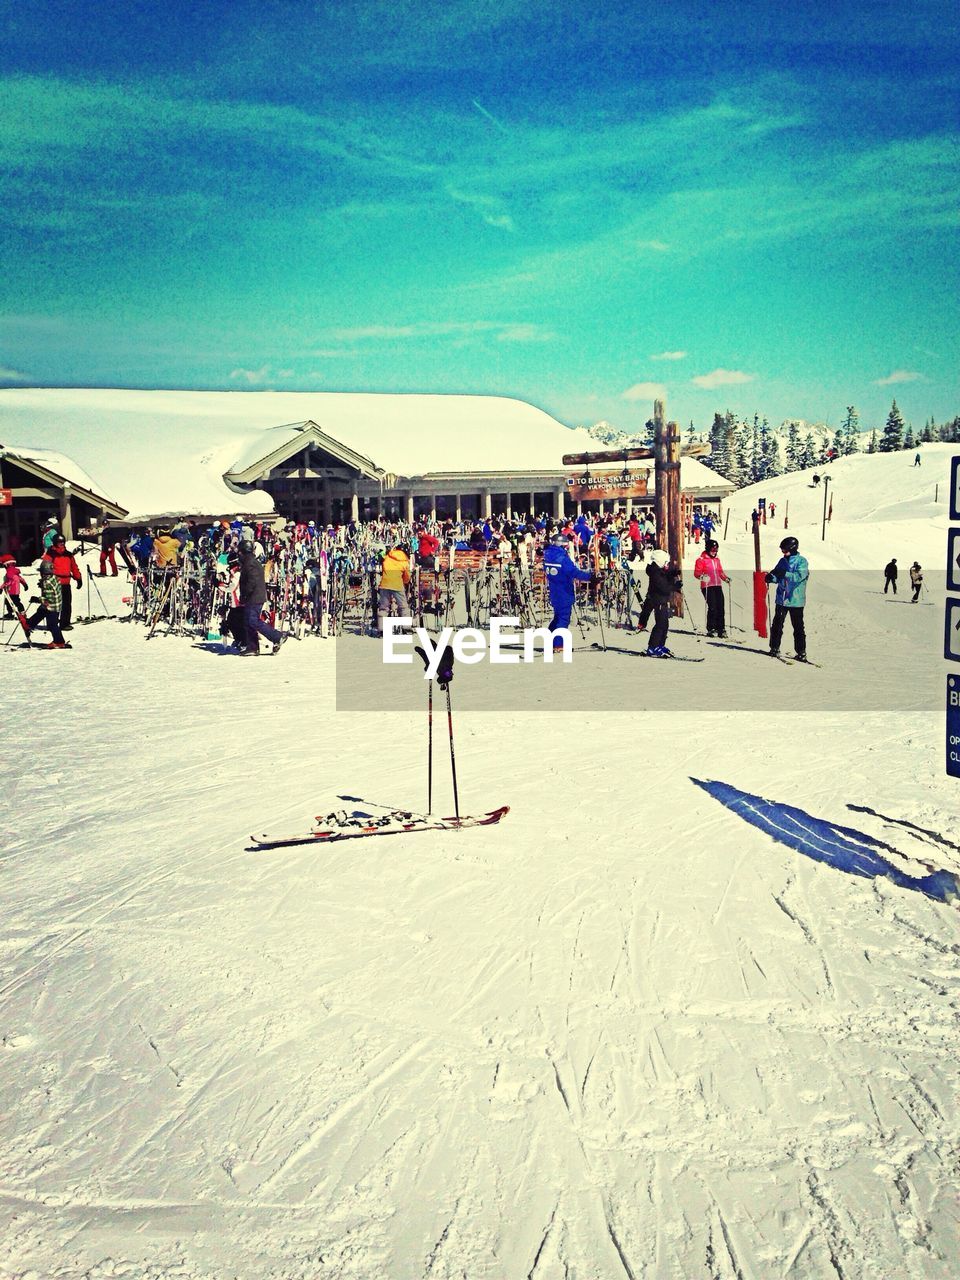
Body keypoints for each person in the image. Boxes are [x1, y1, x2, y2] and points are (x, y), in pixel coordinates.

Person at [237, 540, 286, 655]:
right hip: (254, 596)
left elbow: (252, 581)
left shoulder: (250, 563)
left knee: (253, 621)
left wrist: (245, 594)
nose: (238, 554)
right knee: (248, 621)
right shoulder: (250, 562)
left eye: (239, 551)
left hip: (254, 596)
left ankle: (277, 636)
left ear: (243, 551)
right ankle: (252, 647)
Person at [543, 534, 592, 648]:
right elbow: (574, 572)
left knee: (558, 616)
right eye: (565, 546)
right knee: (563, 619)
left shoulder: (548, 555)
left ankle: (550, 639)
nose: (566, 548)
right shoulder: (562, 558)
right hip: (564, 591)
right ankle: (558, 644)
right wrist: (590, 577)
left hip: (554, 591)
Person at [766, 536, 809, 661]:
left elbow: (799, 576)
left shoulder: (802, 561)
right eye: (782, 551)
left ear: (793, 548)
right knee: (777, 625)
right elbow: (777, 575)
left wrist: (784, 574)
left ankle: (801, 652)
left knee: (798, 627)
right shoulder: (782, 561)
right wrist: (771, 578)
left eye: (785, 550)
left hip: (795, 600)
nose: (783, 553)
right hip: (781, 599)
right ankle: (774, 648)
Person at [642, 548, 682, 657]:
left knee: (665, 624)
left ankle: (660, 645)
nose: (667, 565)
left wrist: (673, 573)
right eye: (666, 563)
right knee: (660, 624)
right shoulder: (655, 573)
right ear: (660, 561)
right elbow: (663, 587)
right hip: (657, 600)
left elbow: (665, 575)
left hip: (662, 601)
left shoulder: (659, 570)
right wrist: (675, 586)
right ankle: (652, 647)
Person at [43, 533, 82, 630]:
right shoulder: (50, 554)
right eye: (59, 542)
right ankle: (52, 624)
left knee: (66, 605)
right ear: (55, 543)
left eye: (63, 542)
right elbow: (45, 568)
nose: (61, 544)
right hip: (54, 583)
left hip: (66, 583)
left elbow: (74, 567)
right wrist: (44, 581)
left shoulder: (68, 554)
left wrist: (78, 578)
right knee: (54, 605)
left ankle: (64, 624)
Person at [27, 561, 70, 648]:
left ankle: (59, 641)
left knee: (52, 625)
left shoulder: (47, 582)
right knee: (41, 611)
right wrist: (43, 584)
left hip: (52, 607)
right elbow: (53, 588)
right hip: (56, 605)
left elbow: (48, 600)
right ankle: (29, 624)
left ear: (43, 572)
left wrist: (37, 599)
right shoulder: (54, 578)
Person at [694, 539, 730, 637]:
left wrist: (725, 578)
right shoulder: (701, 560)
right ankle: (711, 628)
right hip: (707, 586)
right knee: (713, 606)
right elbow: (697, 573)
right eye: (713, 550)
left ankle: (721, 629)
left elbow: (720, 572)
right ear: (707, 549)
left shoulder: (717, 560)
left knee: (721, 606)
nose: (714, 552)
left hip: (717, 585)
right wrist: (702, 576)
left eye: (716, 551)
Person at [378, 540, 411, 634]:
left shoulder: (388, 557)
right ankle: (406, 627)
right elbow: (407, 576)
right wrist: (405, 582)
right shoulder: (404, 561)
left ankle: (382, 629)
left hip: (385, 583)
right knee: (403, 606)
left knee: (384, 607)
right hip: (397, 584)